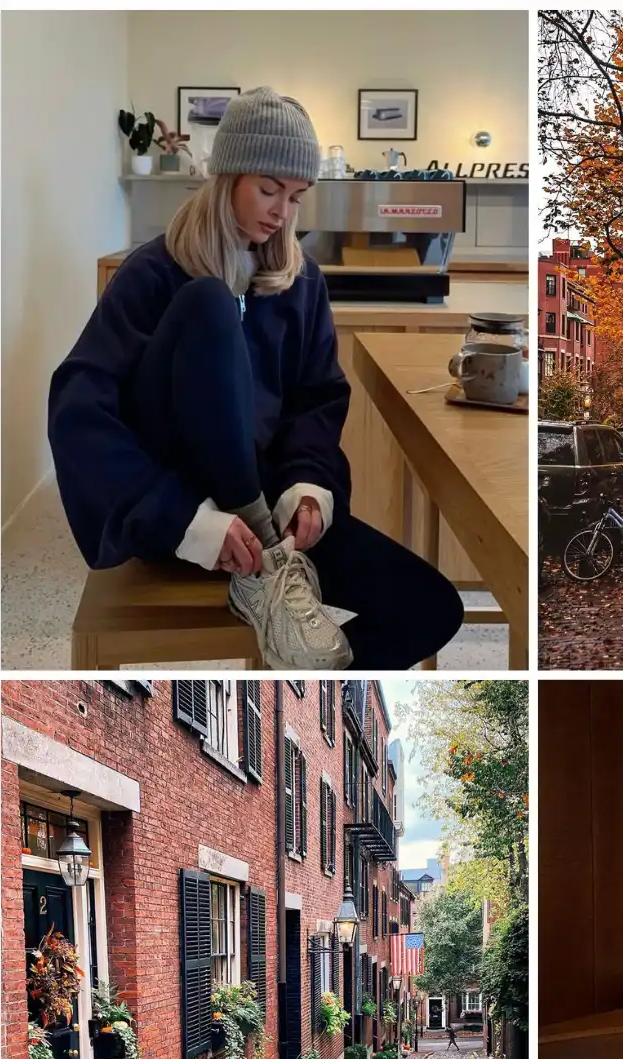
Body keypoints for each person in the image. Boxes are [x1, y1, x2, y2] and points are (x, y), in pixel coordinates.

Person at [48, 87, 463, 670]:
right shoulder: (151, 274)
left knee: (433, 608)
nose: (282, 213)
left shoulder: (303, 282)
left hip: (276, 529)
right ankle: (259, 549)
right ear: (227, 178)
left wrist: (308, 487)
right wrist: (183, 519)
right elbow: (78, 411)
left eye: (297, 197)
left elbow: (318, 399)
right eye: (269, 190)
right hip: (179, 518)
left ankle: (307, 682)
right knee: (208, 303)